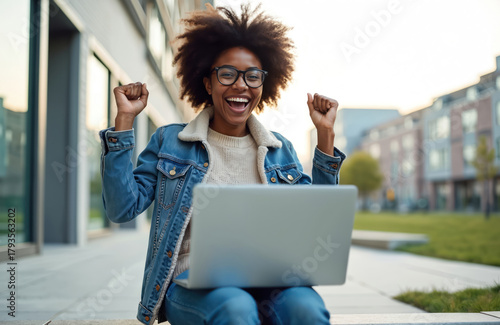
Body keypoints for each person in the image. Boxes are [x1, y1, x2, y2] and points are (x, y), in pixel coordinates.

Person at [100, 3, 345, 325]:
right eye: (227, 74)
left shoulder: (279, 149)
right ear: (207, 83)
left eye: (252, 76)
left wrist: (324, 134)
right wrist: (124, 122)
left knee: (305, 308)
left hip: (270, 282)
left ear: (263, 85)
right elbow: (122, 209)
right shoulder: (170, 142)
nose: (241, 85)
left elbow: (317, 218)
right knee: (235, 307)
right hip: (191, 284)